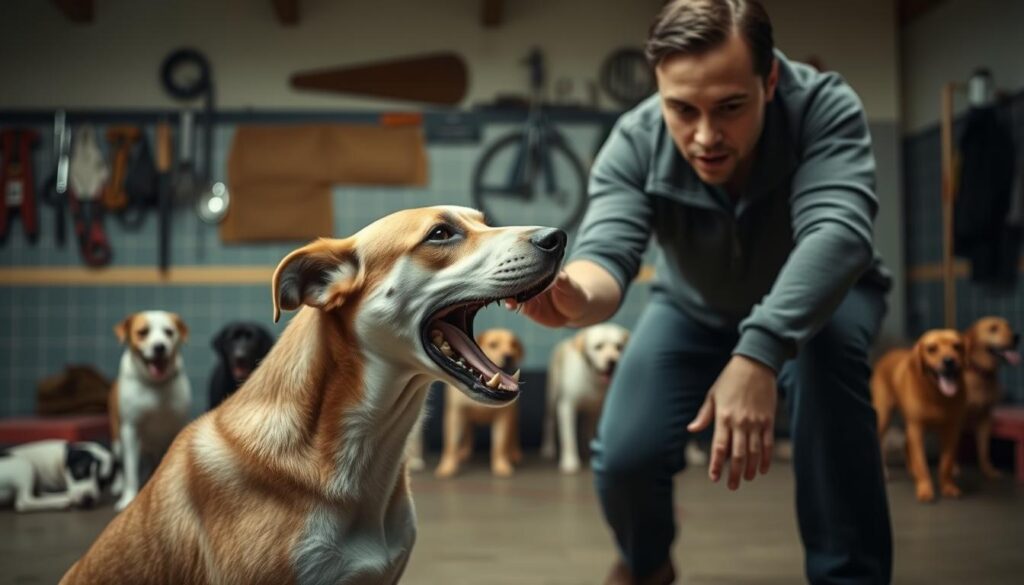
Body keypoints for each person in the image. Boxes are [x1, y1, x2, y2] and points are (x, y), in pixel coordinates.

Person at [507, 1, 894, 583]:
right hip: (693, 306)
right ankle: (647, 565)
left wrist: (759, 351)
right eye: (682, 109)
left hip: (826, 302)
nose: (705, 136)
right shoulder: (634, 140)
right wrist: (573, 296)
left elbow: (838, 234)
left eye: (730, 108)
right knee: (625, 456)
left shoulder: (824, 107)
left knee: (828, 381)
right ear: (659, 86)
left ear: (770, 80)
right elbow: (608, 253)